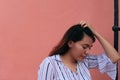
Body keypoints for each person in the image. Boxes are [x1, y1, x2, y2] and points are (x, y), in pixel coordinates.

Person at [38, 21, 120, 80]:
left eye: (90, 47)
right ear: (70, 43)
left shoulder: (85, 61)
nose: (87, 52)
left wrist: (95, 32)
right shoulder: (50, 64)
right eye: (84, 47)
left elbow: (114, 57)